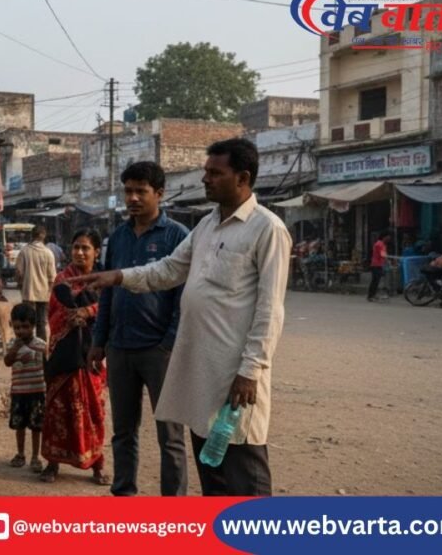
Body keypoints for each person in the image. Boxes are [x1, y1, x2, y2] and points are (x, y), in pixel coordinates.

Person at [71, 138, 292, 497]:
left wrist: (251, 371)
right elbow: (170, 269)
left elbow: (270, 310)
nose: (205, 179)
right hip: (201, 371)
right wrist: (118, 277)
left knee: (243, 471)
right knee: (212, 469)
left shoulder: (267, 229)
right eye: (205, 172)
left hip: (235, 375)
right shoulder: (206, 226)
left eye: (215, 173)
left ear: (243, 177)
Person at [88, 161, 189, 497]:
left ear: (159, 193)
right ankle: (124, 496)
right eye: (128, 190)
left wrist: (169, 343)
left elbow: (183, 298)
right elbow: (107, 292)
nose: (132, 198)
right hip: (120, 348)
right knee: (124, 432)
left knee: (170, 435)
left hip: (159, 351)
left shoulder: (178, 236)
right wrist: (99, 341)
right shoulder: (116, 238)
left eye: (140, 191)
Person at [40, 229, 110, 485]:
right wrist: (72, 316)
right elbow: (54, 315)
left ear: (96, 252)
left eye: (85, 248)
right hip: (64, 357)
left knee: (93, 412)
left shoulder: (103, 281)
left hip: (92, 355)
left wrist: (88, 311)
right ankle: (52, 462)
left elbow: (110, 309)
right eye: (76, 247)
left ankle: (97, 464)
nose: (80, 252)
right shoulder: (62, 280)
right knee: (58, 410)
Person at [4, 303, 48, 474]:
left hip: (37, 392)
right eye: (17, 327)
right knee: (19, 425)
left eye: (25, 327)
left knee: (37, 427)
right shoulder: (13, 345)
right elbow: (7, 362)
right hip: (19, 393)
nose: (21, 331)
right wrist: (14, 350)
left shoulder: (41, 345)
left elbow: (47, 365)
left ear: (33, 326)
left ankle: (35, 457)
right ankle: (20, 453)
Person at [16, 225, 56, 340]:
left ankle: (28, 347)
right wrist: (49, 294)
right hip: (43, 295)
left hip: (28, 293)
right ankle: (41, 351)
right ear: (44, 237)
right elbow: (52, 278)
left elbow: (19, 272)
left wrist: (20, 285)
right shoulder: (49, 253)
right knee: (41, 323)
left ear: (32, 236)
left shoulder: (24, 251)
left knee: (27, 322)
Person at [368, 231, 392, 302]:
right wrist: (388, 260)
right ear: (384, 237)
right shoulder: (379, 244)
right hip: (376, 265)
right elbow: (383, 254)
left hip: (379, 264)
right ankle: (371, 296)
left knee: (376, 281)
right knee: (375, 281)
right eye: (388, 237)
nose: (389, 238)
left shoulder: (382, 244)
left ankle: (372, 295)